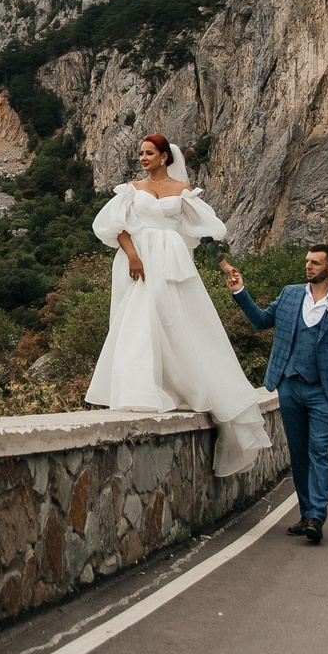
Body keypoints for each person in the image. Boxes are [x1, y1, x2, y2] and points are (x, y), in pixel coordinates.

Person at [85, 133, 272, 477]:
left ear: (164, 157)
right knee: (138, 321)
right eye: (140, 153)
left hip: (173, 261)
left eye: (149, 153)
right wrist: (132, 256)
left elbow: (203, 236)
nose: (142, 158)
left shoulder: (183, 190)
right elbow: (118, 227)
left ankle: (180, 388)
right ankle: (138, 392)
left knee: (177, 323)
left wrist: (226, 266)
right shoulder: (131, 189)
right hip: (139, 259)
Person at [219, 244, 328, 545]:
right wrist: (240, 291)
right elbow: (260, 322)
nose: (308, 266)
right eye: (307, 261)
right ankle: (306, 512)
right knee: (298, 453)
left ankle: (317, 517)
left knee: (320, 450)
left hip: (325, 390)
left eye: (315, 263)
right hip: (290, 385)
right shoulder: (290, 294)